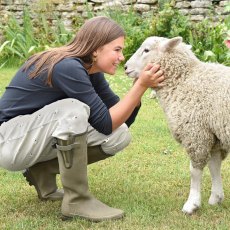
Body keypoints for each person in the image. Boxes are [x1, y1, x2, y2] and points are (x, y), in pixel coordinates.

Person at [0, 16, 164, 222]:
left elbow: (116, 123)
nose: (122, 57)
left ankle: (41, 171)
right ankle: (77, 200)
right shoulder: (67, 67)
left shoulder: (90, 71)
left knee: (119, 134)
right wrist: (141, 86)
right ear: (96, 49)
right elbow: (105, 122)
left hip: (30, 138)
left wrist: (136, 90)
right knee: (74, 109)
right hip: (8, 141)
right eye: (117, 49)